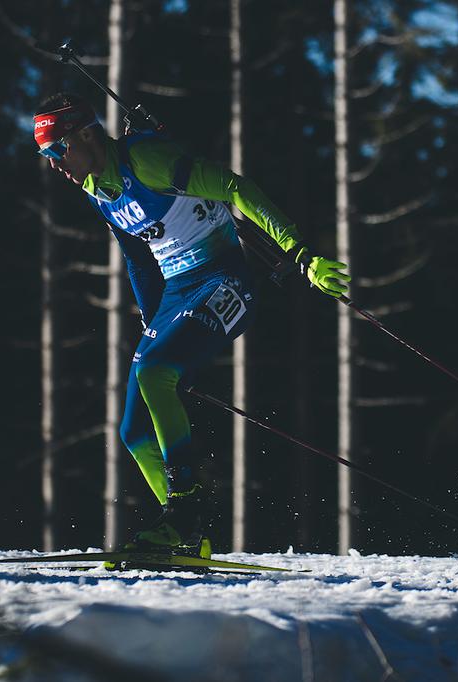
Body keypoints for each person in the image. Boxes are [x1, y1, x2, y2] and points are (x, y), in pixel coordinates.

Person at [32, 92, 350, 558]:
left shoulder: (147, 160)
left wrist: (301, 255)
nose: (55, 164)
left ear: (85, 135)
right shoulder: (94, 186)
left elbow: (235, 187)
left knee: (154, 372)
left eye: (57, 149)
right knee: (134, 432)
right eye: (46, 155)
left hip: (224, 279)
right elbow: (137, 257)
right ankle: (184, 532)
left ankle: (183, 508)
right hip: (176, 293)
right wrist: (155, 326)